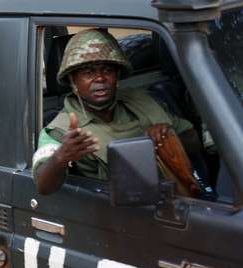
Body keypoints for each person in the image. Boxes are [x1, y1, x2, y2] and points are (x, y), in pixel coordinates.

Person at [32, 28, 201, 195]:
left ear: (117, 75)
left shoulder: (143, 101)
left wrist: (167, 137)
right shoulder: (60, 129)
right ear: (73, 80)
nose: (100, 78)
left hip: (176, 196)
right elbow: (43, 186)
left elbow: (194, 140)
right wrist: (61, 157)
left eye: (107, 70)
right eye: (88, 72)